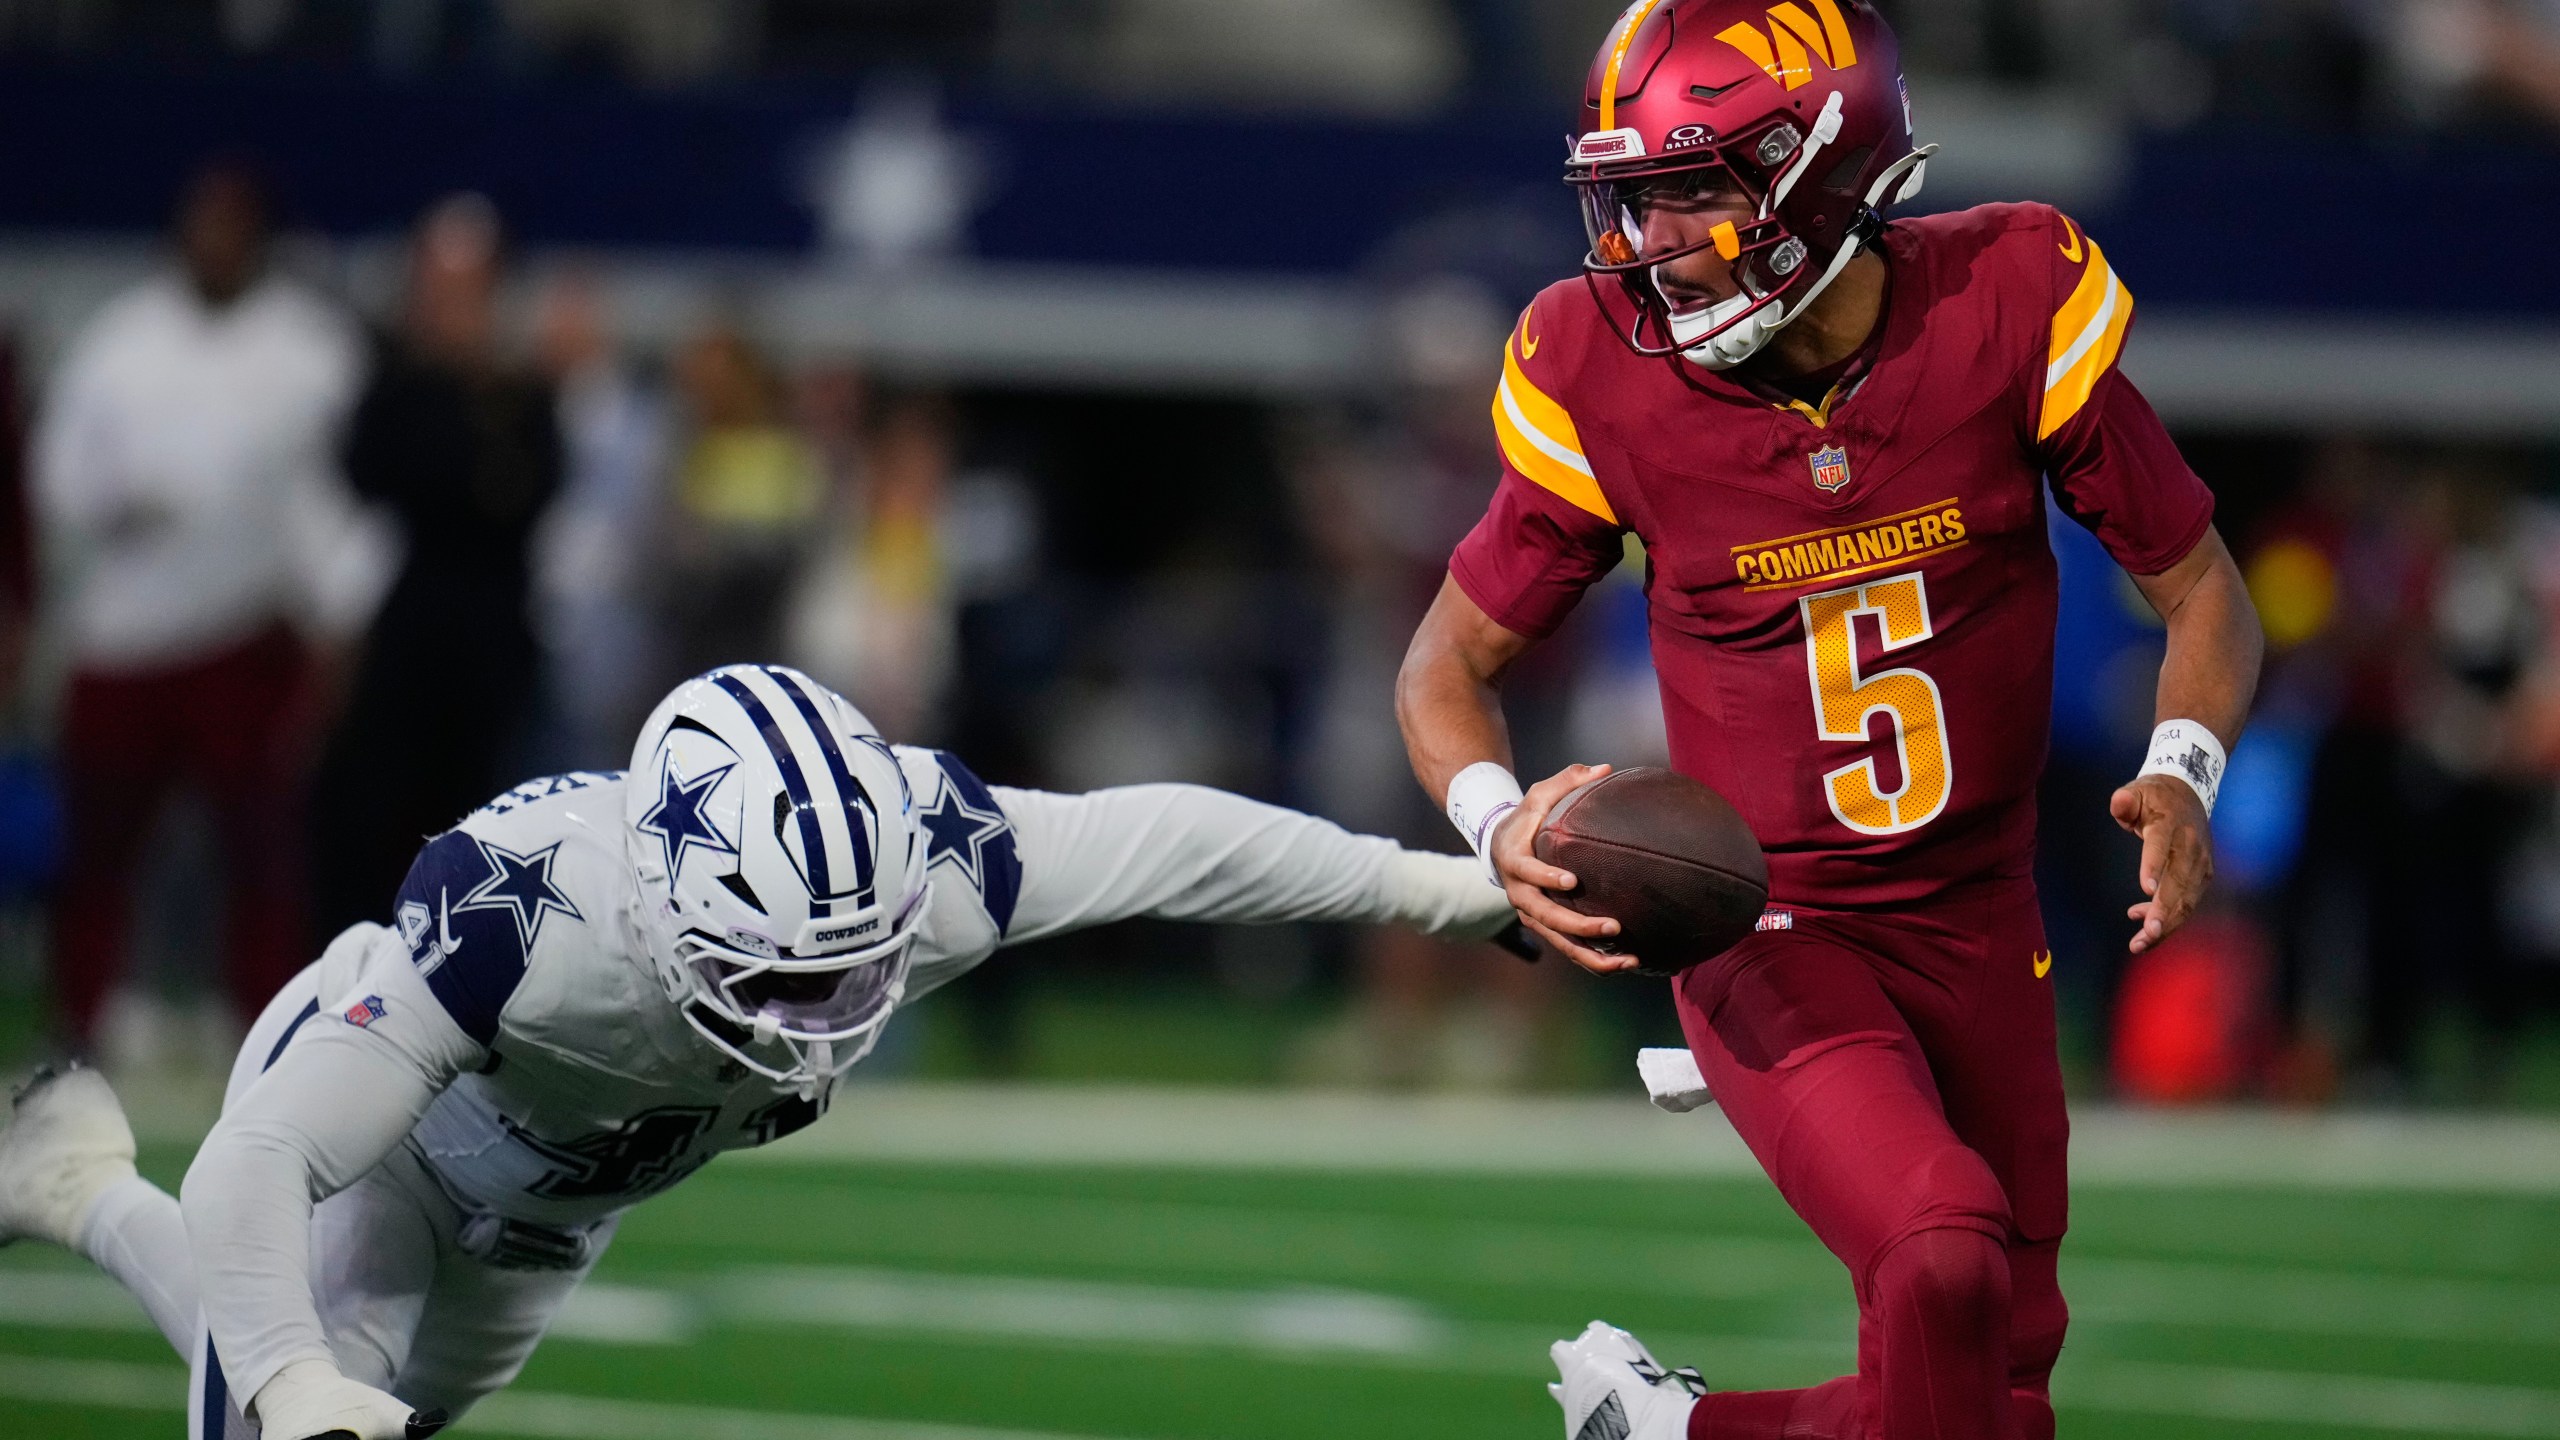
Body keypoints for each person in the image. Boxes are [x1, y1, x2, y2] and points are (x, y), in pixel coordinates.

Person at [1391, 4, 2266, 1439]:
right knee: (1936, 1250)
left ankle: (1675, 1432)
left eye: (1692, 187)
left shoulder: (2007, 296)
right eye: (1633, 196)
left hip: (1980, 912)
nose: (1652, 236)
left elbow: (2202, 587)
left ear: (1823, 166)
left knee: (2000, 1389)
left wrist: (2183, 772)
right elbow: (1443, 667)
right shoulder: (1596, 369)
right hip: (1768, 926)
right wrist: (1501, 826)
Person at [0, 662, 1515, 1440]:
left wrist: (1446, 888)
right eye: (779, 981)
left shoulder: (920, 867)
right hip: (395, 1151)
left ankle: (76, 1183)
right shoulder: (525, 919)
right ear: (664, 918)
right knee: (315, 1405)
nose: (820, 1022)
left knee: (398, 1406)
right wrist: (282, 1377)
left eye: (847, 972)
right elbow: (266, 1153)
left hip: (560, 1214)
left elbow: (1174, 839)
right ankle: (98, 1197)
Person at [32, 162, 372, 1052]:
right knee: (100, 847)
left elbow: (336, 503)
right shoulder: (121, 341)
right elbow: (60, 475)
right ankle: (85, 1016)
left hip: (246, 633)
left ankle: (269, 1024)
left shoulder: (309, 352)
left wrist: (341, 621)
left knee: (263, 853)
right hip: (125, 632)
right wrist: (122, 503)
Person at [310, 194, 564, 938]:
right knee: (372, 815)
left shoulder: (517, 391)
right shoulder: (395, 382)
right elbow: (369, 472)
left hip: (489, 634)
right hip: (407, 629)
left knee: (484, 822)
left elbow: (526, 495)